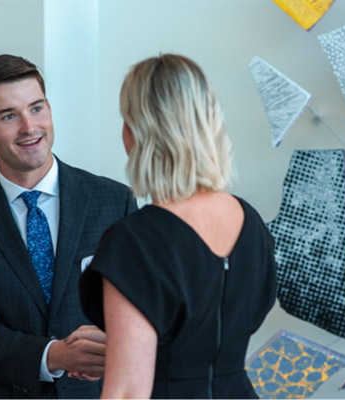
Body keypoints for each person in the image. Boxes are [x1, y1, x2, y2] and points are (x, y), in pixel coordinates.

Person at [0, 54, 137, 399]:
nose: (29, 127)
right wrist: (53, 355)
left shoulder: (115, 202)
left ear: (49, 109)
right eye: (9, 116)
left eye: (36, 108)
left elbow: (140, 310)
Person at [78, 54, 277, 399]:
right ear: (209, 126)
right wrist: (127, 343)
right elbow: (207, 340)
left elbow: (127, 393)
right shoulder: (252, 223)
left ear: (136, 134)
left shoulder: (134, 241)